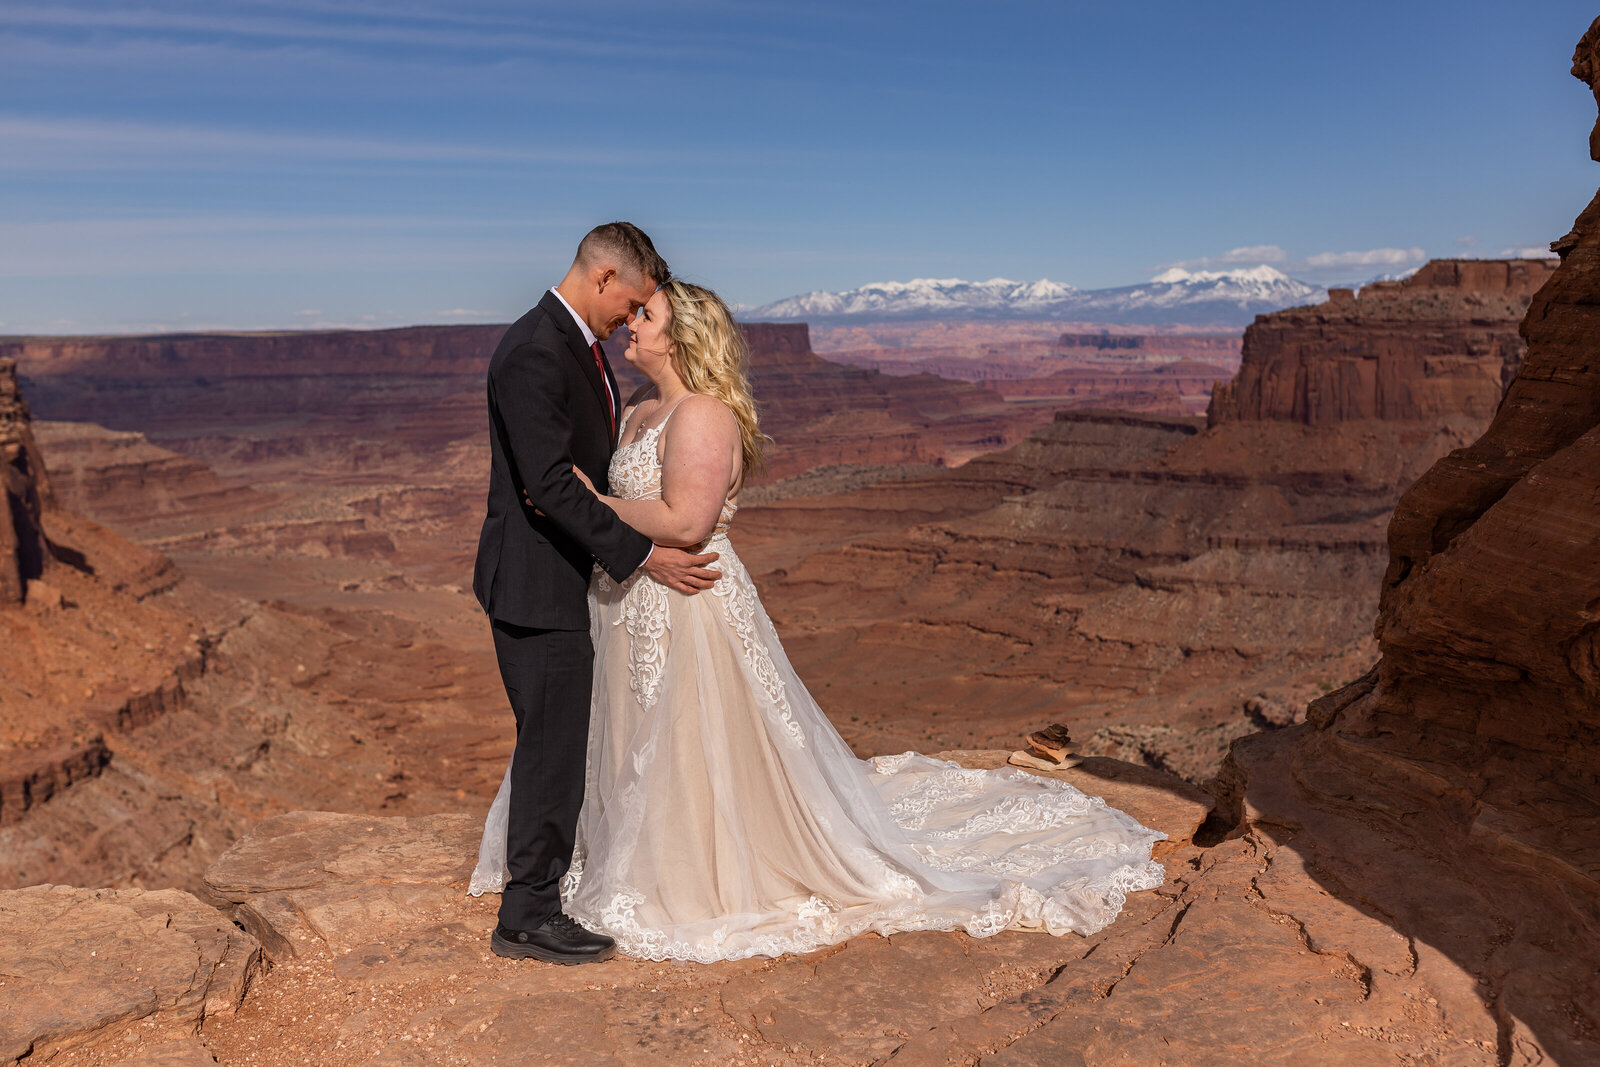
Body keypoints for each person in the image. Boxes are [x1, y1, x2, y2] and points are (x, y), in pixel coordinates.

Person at [471, 279, 1166, 963]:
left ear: (681, 336)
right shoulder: (642, 412)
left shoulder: (703, 415)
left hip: (690, 607)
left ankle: (698, 868)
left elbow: (687, 521)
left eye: (646, 315)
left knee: (690, 740)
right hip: (632, 602)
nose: (631, 324)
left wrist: (588, 499)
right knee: (632, 739)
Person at [472, 223, 722, 965]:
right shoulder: (535, 350)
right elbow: (548, 486)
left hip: (565, 580)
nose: (630, 320)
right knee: (552, 747)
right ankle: (528, 915)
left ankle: (541, 895)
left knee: (559, 739)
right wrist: (644, 554)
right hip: (535, 584)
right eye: (634, 302)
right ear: (606, 275)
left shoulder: (572, 345)